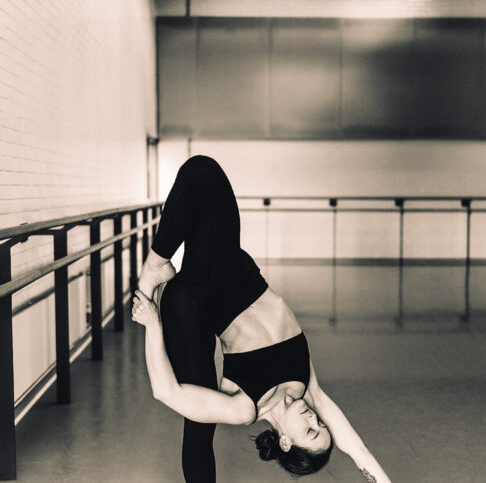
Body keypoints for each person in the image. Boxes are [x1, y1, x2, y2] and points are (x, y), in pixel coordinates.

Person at [133, 155, 392, 483]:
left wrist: (153, 325)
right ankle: (156, 265)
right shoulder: (308, 387)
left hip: (192, 305)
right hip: (233, 270)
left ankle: (153, 268)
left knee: (198, 426)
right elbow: (358, 450)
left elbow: (166, 392)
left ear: (285, 442)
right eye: (321, 424)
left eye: (310, 431)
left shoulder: (245, 408)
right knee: (202, 172)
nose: (314, 419)